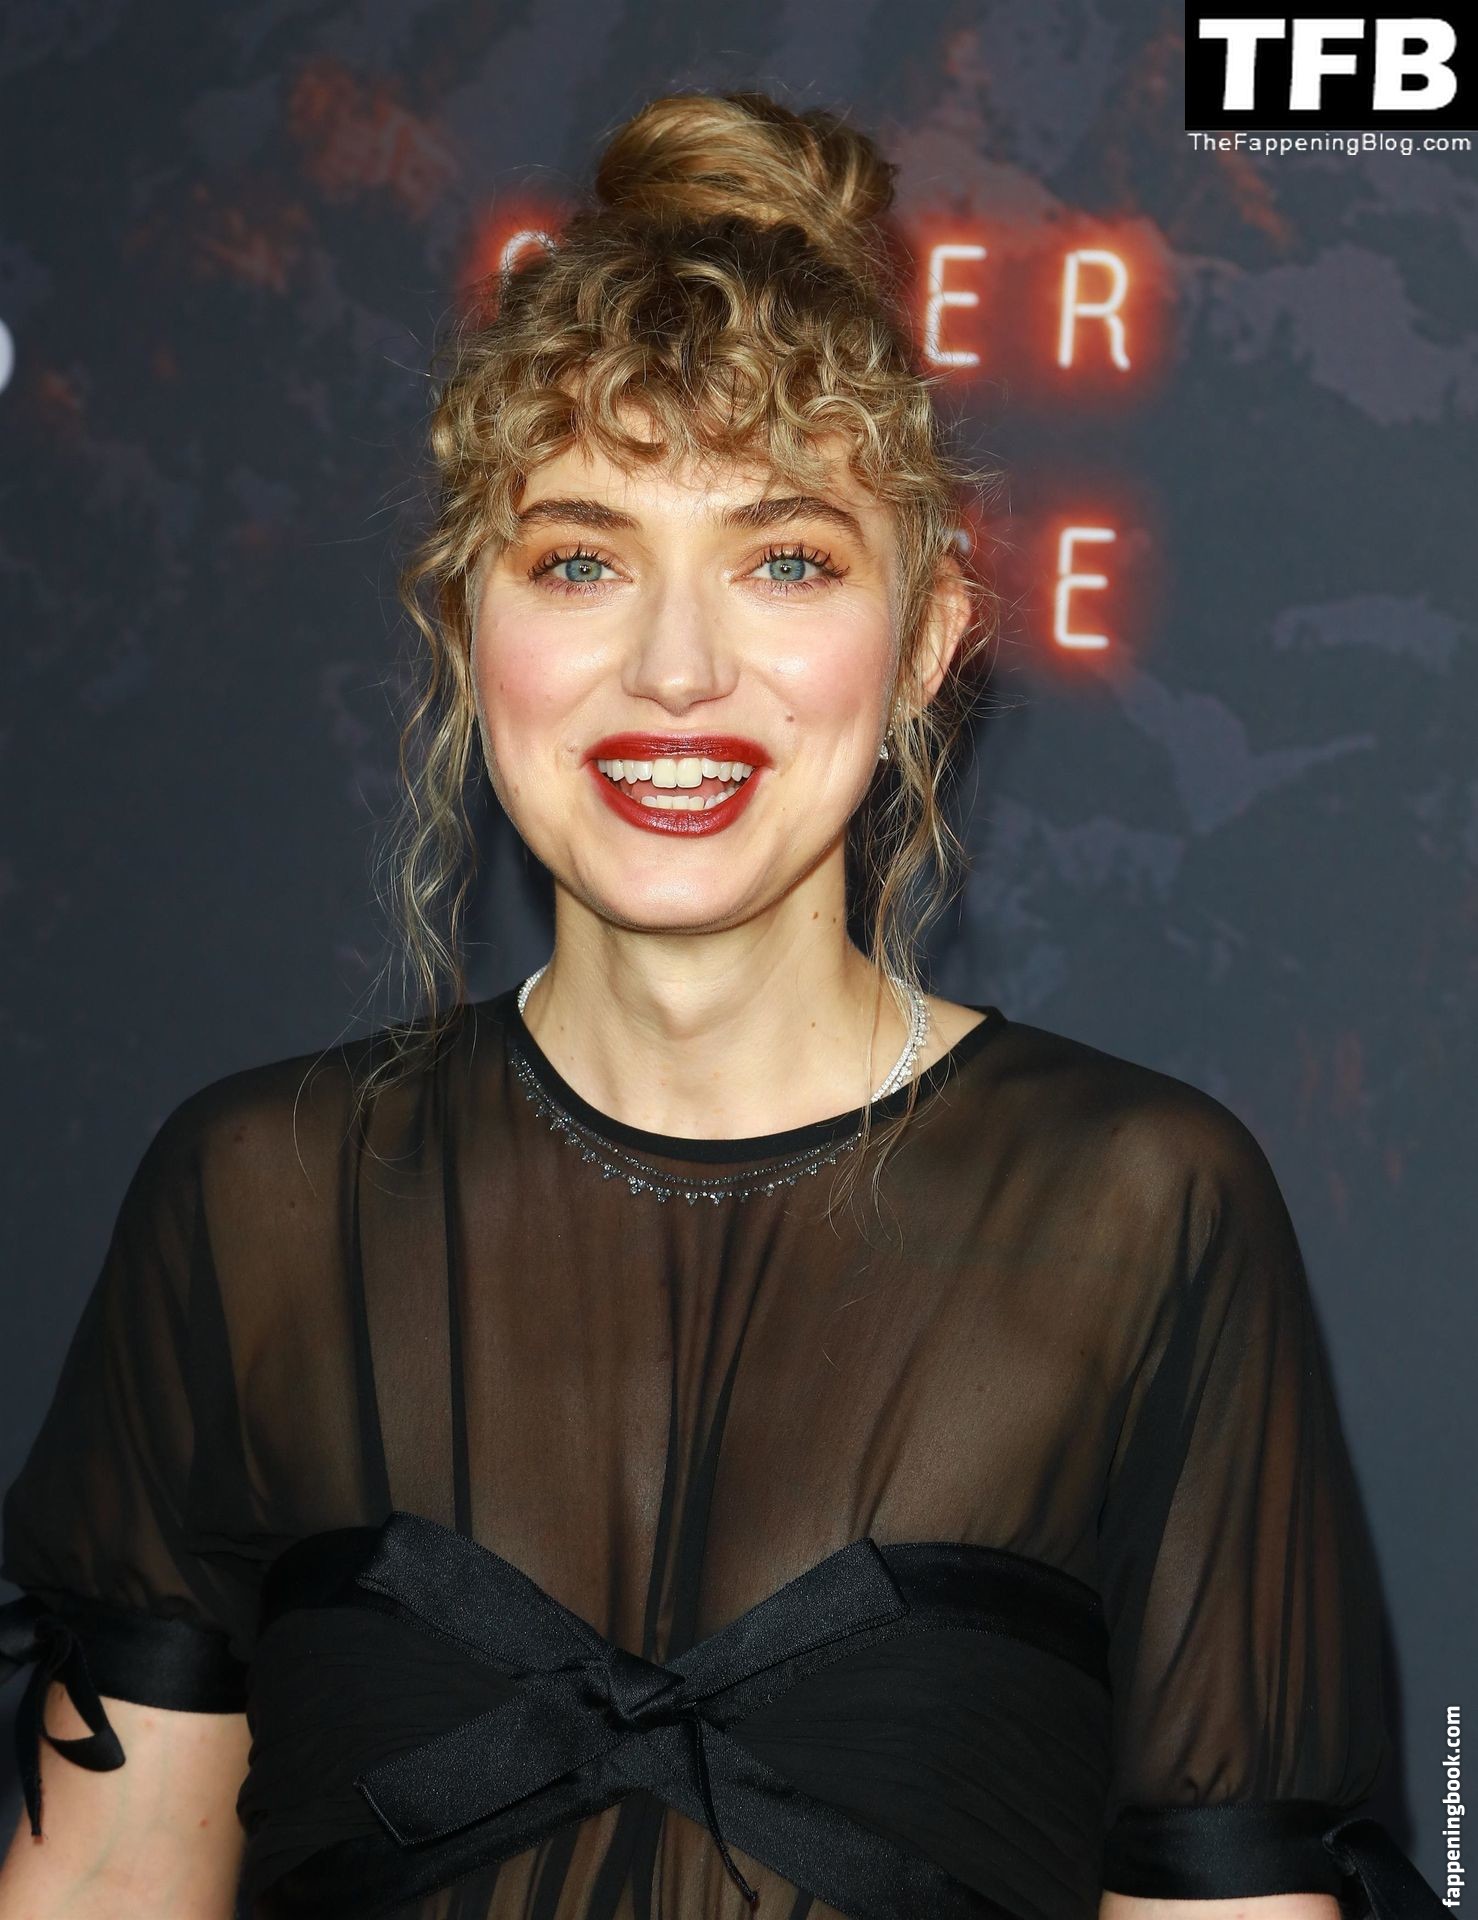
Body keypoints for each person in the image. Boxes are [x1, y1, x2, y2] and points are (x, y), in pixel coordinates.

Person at [0, 89, 1447, 1920]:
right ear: (464, 629)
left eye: (784, 560)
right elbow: (110, 1874)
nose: (674, 670)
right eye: (579, 559)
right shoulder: (254, 1196)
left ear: (924, 642)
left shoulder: (1143, 1211)